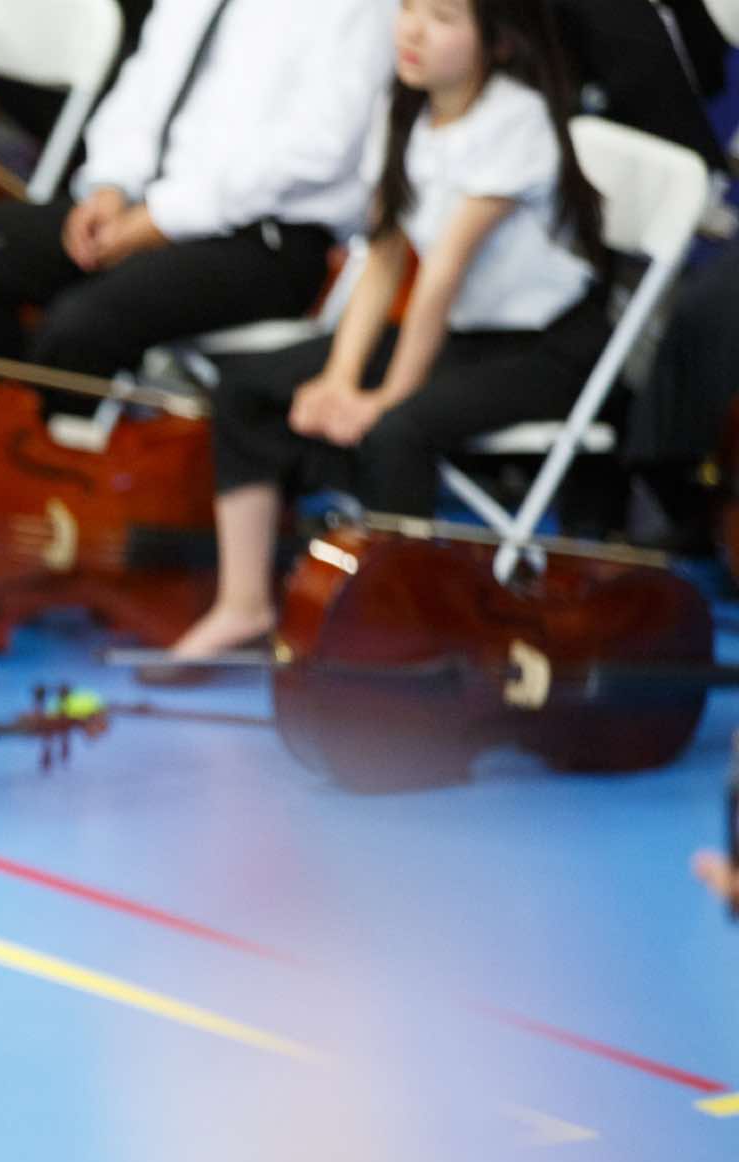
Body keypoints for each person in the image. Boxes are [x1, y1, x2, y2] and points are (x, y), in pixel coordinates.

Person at [167, 0, 610, 664]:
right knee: (246, 390)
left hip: (544, 348)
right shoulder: (403, 108)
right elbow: (382, 260)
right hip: (459, 333)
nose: (412, 29)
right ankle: (243, 604)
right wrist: (338, 380)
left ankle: (403, 636)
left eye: (442, 18)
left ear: (499, 42)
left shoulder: (517, 120)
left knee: (396, 431)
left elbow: (442, 275)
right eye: (407, 7)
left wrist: (385, 398)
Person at [0, 0, 391, 432]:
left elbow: (314, 151)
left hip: (267, 236)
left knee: (82, 325)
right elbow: (146, 80)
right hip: (145, 201)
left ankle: (51, 459)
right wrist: (110, 185)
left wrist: (163, 218)